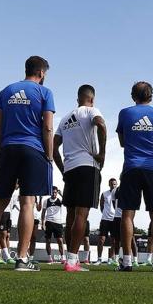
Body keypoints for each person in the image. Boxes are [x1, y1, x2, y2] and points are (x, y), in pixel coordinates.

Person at [0, 56, 54, 271]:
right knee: (27, 202)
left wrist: (0, 152)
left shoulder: (6, 91)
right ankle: (22, 259)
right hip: (33, 149)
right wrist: (50, 155)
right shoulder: (45, 92)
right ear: (42, 73)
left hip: (8, 148)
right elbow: (47, 128)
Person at [116, 81, 153, 272]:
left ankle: (127, 261)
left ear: (133, 96)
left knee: (127, 213)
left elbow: (122, 142)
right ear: (152, 96)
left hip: (131, 167)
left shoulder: (125, 113)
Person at [53, 84, 106, 272]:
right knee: (82, 214)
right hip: (87, 167)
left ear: (78, 99)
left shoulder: (65, 118)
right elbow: (101, 125)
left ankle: (69, 257)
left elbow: (53, 149)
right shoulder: (91, 110)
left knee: (70, 214)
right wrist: (102, 154)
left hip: (71, 169)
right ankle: (73, 261)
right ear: (91, 99)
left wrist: (63, 170)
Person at [0, 183, 20, 264]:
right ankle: (7, 256)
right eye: (17, 184)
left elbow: (15, 205)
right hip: (2, 213)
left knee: (5, 235)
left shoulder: (15, 194)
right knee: (3, 234)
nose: (18, 186)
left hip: (9, 215)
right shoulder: (5, 189)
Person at [95, 178, 118, 265]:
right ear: (109, 184)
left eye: (115, 184)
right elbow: (101, 206)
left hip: (114, 220)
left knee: (114, 241)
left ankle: (110, 259)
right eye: (112, 184)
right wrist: (105, 213)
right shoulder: (104, 194)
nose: (113, 185)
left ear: (117, 185)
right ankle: (99, 259)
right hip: (105, 220)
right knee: (101, 240)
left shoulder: (118, 194)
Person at [41, 187, 65, 264]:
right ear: (50, 192)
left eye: (55, 192)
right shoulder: (46, 201)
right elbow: (43, 213)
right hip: (49, 222)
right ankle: (49, 258)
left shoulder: (60, 200)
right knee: (48, 240)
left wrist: (61, 194)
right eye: (53, 192)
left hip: (58, 223)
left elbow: (67, 202)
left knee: (60, 241)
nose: (54, 194)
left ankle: (63, 258)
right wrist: (42, 223)